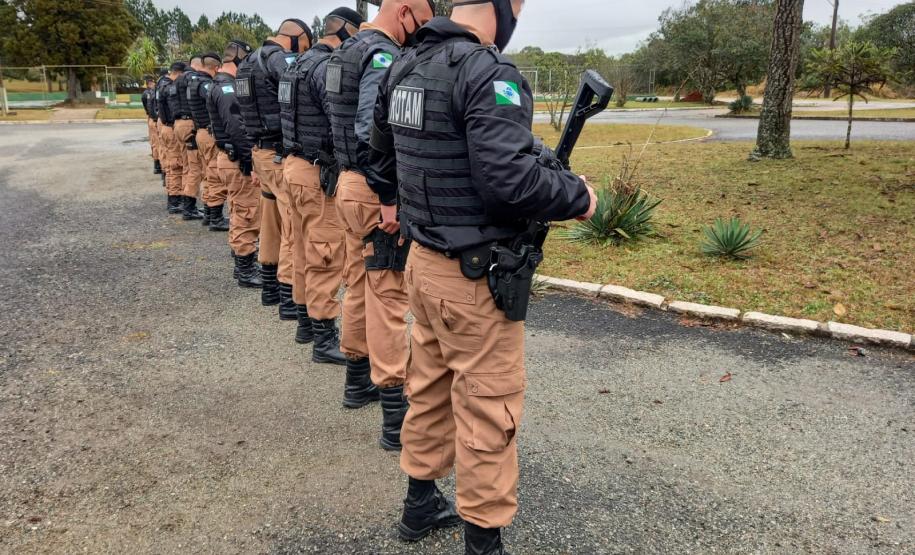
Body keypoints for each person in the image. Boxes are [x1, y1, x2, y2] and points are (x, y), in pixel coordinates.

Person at [367, 0, 598, 551]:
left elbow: (379, 156)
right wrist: (579, 197)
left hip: (424, 264)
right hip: (472, 279)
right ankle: (483, 542)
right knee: (488, 406)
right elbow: (509, 183)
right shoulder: (487, 70)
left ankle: (419, 505)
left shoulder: (405, 64)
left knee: (428, 388)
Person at [326, 0, 435, 452]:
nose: (419, 34)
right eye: (420, 24)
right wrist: (389, 198)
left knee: (358, 283)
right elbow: (371, 128)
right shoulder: (382, 54)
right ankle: (395, 416)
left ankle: (357, 381)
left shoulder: (343, 51)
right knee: (388, 295)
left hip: (347, 185)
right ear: (404, 11)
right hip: (374, 192)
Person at [279, 7, 363, 362]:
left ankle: (306, 323)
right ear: (348, 32)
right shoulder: (326, 67)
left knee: (301, 249)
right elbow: (339, 119)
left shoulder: (295, 65)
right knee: (325, 254)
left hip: (294, 166)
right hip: (316, 173)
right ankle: (324, 338)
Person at [236, 19, 312, 316]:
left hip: (260, 152)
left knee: (270, 223)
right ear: (297, 38)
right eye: (304, 46)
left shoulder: (247, 63)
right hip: (279, 154)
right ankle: (288, 295)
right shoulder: (278, 60)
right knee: (292, 226)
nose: (302, 52)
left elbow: (244, 114)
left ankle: (269, 287)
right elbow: (297, 97)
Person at [207, 40, 262, 288]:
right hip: (237, 159)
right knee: (246, 213)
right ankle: (245, 269)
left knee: (239, 210)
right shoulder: (227, 88)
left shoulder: (220, 84)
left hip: (229, 157)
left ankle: (242, 259)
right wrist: (250, 163)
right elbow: (237, 129)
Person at [188, 52, 229, 231]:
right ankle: (216, 218)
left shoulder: (193, 82)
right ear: (216, 67)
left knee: (207, 173)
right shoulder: (206, 84)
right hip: (208, 133)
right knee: (215, 174)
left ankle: (208, 213)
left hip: (201, 131)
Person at [174, 55, 205, 221]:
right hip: (189, 125)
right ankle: (189, 207)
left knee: (187, 166)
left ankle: (187, 203)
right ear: (198, 65)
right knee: (196, 168)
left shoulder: (178, 79)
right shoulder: (192, 78)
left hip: (178, 124)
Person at [156, 64, 184, 212]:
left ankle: (174, 197)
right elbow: (174, 111)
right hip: (170, 128)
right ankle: (174, 201)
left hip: (164, 126)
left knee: (170, 164)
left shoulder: (162, 85)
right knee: (176, 165)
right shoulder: (170, 88)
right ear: (179, 73)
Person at [140, 76, 162, 176]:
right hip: (155, 119)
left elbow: (146, 106)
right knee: (158, 143)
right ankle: (159, 166)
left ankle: (157, 165)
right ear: (150, 83)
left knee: (154, 142)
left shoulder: (146, 93)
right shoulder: (154, 92)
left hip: (151, 118)